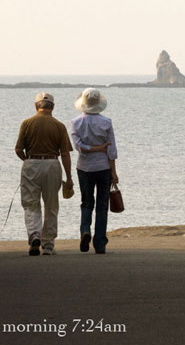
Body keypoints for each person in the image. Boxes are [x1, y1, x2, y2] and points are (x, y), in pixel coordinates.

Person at [15, 92, 73, 256]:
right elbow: (65, 154)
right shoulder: (59, 126)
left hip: (31, 163)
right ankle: (48, 244)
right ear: (52, 107)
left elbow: (18, 149)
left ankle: (34, 234)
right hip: (52, 164)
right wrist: (68, 178)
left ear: (36, 106)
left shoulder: (26, 123)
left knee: (30, 203)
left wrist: (27, 160)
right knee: (51, 205)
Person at [71, 88, 118, 254]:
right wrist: (114, 172)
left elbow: (79, 147)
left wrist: (92, 148)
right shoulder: (106, 122)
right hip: (103, 167)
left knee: (86, 202)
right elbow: (111, 150)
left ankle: (85, 230)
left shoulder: (76, 122)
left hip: (84, 168)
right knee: (102, 205)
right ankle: (99, 243)